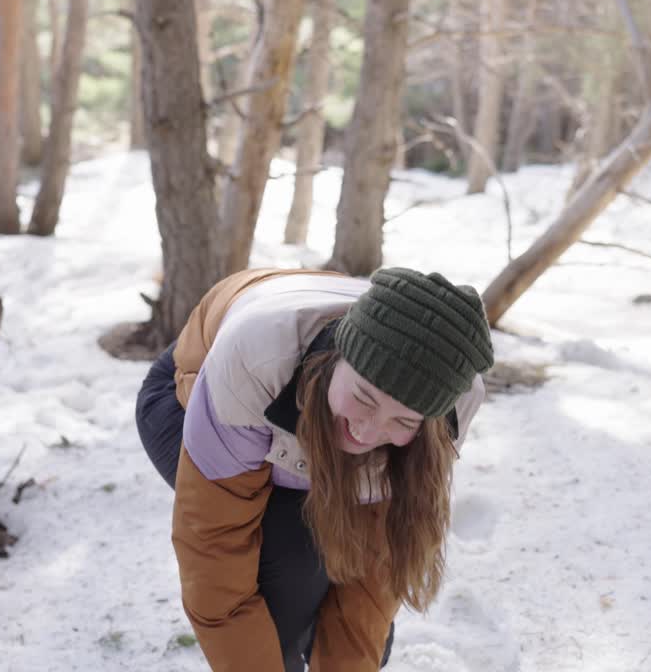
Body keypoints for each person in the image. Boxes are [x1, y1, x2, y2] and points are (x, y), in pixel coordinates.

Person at [135, 267, 494, 672]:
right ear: (335, 356)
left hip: (302, 408)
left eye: (404, 422)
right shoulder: (256, 361)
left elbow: (375, 575)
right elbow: (215, 558)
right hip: (193, 392)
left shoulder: (450, 409)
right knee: (290, 569)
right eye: (364, 397)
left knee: (352, 589)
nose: (368, 430)